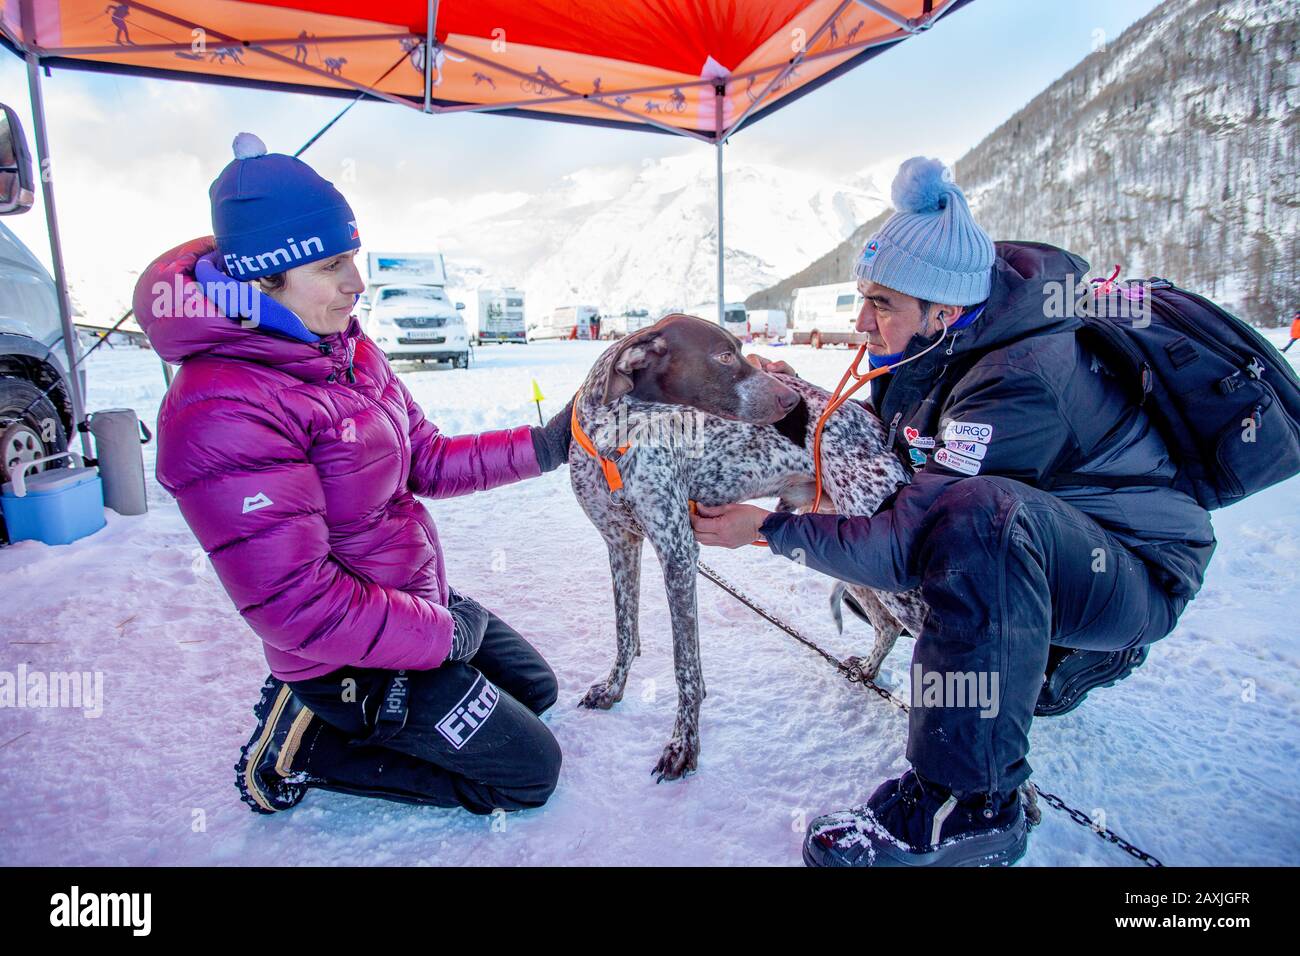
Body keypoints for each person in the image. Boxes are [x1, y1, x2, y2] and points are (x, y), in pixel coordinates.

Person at [692, 157, 1215, 866]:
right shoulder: (933, 345)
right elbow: (890, 468)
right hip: (1055, 551)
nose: (861, 319)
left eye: (882, 303)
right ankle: (1043, 667)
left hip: (1132, 571)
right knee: (954, 515)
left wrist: (768, 531)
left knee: (976, 517)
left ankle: (970, 809)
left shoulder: (1021, 378)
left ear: (942, 309)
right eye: (862, 297)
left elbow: (915, 538)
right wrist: (802, 423)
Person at [134, 133, 573, 816]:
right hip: (339, 651)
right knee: (528, 772)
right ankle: (309, 741)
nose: (357, 284)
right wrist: (436, 636)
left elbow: (423, 457)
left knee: (537, 693)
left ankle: (409, 681)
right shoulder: (219, 410)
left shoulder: (341, 347)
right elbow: (299, 604)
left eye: (354, 259)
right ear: (264, 279)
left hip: (406, 598)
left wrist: (547, 445)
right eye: (334, 265)